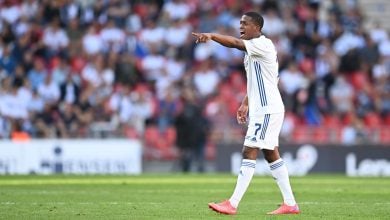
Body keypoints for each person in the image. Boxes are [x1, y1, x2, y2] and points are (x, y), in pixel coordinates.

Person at [192, 11, 300, 215]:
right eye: (240, 23)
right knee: (270, 153)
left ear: (257, 28)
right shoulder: (254, 51)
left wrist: (213, 36)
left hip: (268, 109)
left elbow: (234, 43)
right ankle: (290, 203)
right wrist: (245, 103)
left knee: (249, 150)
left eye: (245, 23)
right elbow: (262, 81)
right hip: (263, 108)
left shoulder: (262, 44)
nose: (241, 26)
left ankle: (232, 203)